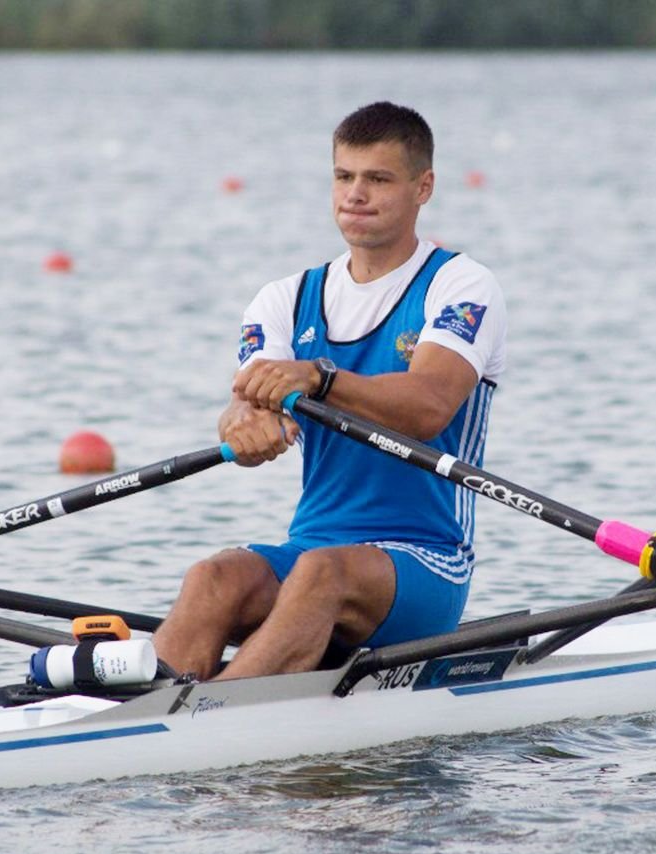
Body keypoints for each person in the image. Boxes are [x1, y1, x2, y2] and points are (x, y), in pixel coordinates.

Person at [152, 101, 507, 681]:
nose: (355, 195)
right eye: (344, 176)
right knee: (213, 578)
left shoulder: (461, 285)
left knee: (322, 573)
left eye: (378, 179)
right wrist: (245, 423)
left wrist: (320, 378)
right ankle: (141, 710)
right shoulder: (285, 298)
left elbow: (428, 407)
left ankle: (208, 715)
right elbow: (248, 401)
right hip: (313, 548)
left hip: (425, 561)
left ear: (423, 187)